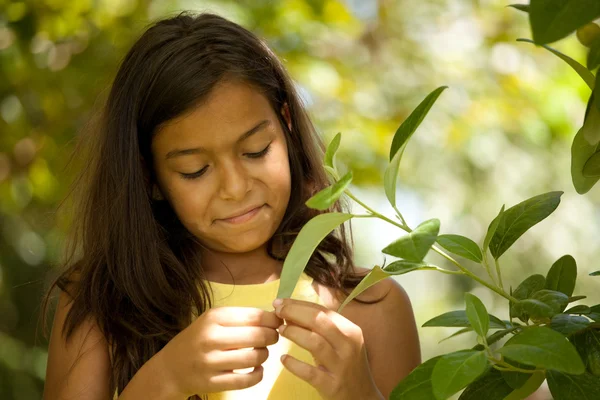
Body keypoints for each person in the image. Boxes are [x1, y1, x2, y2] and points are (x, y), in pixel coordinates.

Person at [40, 11, 421, 400]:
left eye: (256, 151)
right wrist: (164, 381)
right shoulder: (100, 301)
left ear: (286, 124)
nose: (236, 188)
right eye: (195, 170)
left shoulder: (372, 306)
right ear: (148, 173)